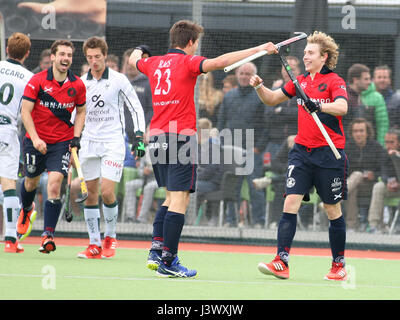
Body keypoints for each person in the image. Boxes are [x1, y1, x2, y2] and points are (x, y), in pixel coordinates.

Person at [129, 19, 277, 278]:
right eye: (196, 43)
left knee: (170, 196)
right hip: (180, 137)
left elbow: (133, 59)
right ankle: (169, 260)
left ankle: (156, 249)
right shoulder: (187, 62)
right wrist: (258, 49)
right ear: (190, 42)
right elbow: (221, 61)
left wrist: (142, 48)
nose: (196, 48)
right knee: (181, 198)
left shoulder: (153, 63)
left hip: (157, 137)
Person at [251, 31, 349, 281]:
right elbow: (272, 99)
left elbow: (342, 107)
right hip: (302, 153)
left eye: (310, 52)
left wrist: (320, 106)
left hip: (329, 153)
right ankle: (281, 261)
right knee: (290, 203)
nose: (305, 56)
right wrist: (260, 87)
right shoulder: (300, 81)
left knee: (332, 209)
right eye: (304, 52)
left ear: (323, 57)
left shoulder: (335, 81)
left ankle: (338, 264)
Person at [77, 36, 145, 259]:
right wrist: (72, 139)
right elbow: (74, 114)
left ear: (105, 55)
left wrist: (139, 136)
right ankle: (94, 243)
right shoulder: (81, 82)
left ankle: (111, 236)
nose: (94, 61)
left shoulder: (119, 80)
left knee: (107, 192)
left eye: (97, 57)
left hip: (113, 142)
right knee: (90, 195)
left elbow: (135, 108)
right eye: (90, 57)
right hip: (88, 143)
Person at [16, 39, 86, 254]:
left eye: (69, 55)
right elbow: (25, 111)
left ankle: (48, 235)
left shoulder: (77, 85)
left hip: (62, 142)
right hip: (35, 140)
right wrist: (36, 139)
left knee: (54, 184)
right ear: (53, 57)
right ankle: (27, 209)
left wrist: (76, 136)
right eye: (62, 54)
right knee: (31, 182)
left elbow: (81, 112)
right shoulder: (37, 81)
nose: (66, 58)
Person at [217, 62, 268, 228]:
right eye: (242, 73)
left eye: (248, 74)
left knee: (255, 188)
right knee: (232, 187)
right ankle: (231, 221)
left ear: (254, 76)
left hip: (252, 150)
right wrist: (222, 143)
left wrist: (258, 147)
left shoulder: (260, 95)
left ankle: (259, 222)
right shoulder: (229, 95)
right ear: (237, 75)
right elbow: (221, 121)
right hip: (232, 150)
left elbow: (265, 124)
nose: (245, 77)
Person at [0, 32, 33, 253]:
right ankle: (11, 239)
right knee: (9, 184)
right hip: (7, 131)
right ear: (27, 54)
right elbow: (26, 113)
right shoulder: (29, 77)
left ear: (7, 50)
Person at [344, 118, 386, 232]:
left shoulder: (377, 147)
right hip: (353, 184)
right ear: (351, 133)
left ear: (367, 132)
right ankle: (351, 226)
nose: (358, 134)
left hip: (371, 185)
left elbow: (385, 168)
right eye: (355, 131)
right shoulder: (347, 147)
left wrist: (375, 174)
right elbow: (342, 169)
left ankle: (334, 198)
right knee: (353, 183)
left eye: (361, 131)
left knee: (354, 179)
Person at [264, 56, 300, 160]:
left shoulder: (303, 90)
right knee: (270, 172)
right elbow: (268, 116)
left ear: (298, 71)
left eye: (291, 69)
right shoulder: (274, 90)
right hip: (275, 142)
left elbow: (302, 114)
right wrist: (290, 114)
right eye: (285, 68)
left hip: (295, 142)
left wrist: (281, 111)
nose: (287, 72)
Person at [345, 63, 389, 146]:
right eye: (366, 79)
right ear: (355, 80)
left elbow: (382, 125)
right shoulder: (344, 99)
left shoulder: (360, 96)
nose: (370, 82)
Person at [367, 129, 400, 233]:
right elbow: (384, 172)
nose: (388, 145)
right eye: (386, 142)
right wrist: (388, 182)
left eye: (392, 142)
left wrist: (396, 157)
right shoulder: (385, 153)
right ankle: (374, 226)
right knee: (379, 186)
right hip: (393, 188)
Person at [195, 118, 224, 226]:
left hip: (213, 182)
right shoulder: (199, 146)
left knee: (192, 186)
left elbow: (211, 169)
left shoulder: (213, 146)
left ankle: (194, 217)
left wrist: (196, 176)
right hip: (201, 179)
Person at [122, 47, 153, 137]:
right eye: (127, 63)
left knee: (140, 151)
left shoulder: (148, 83)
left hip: (140, 135)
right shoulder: (119, 83)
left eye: (132, 63)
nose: (130, 66)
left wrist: (146, 127)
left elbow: (152, 109)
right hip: (120, 135)